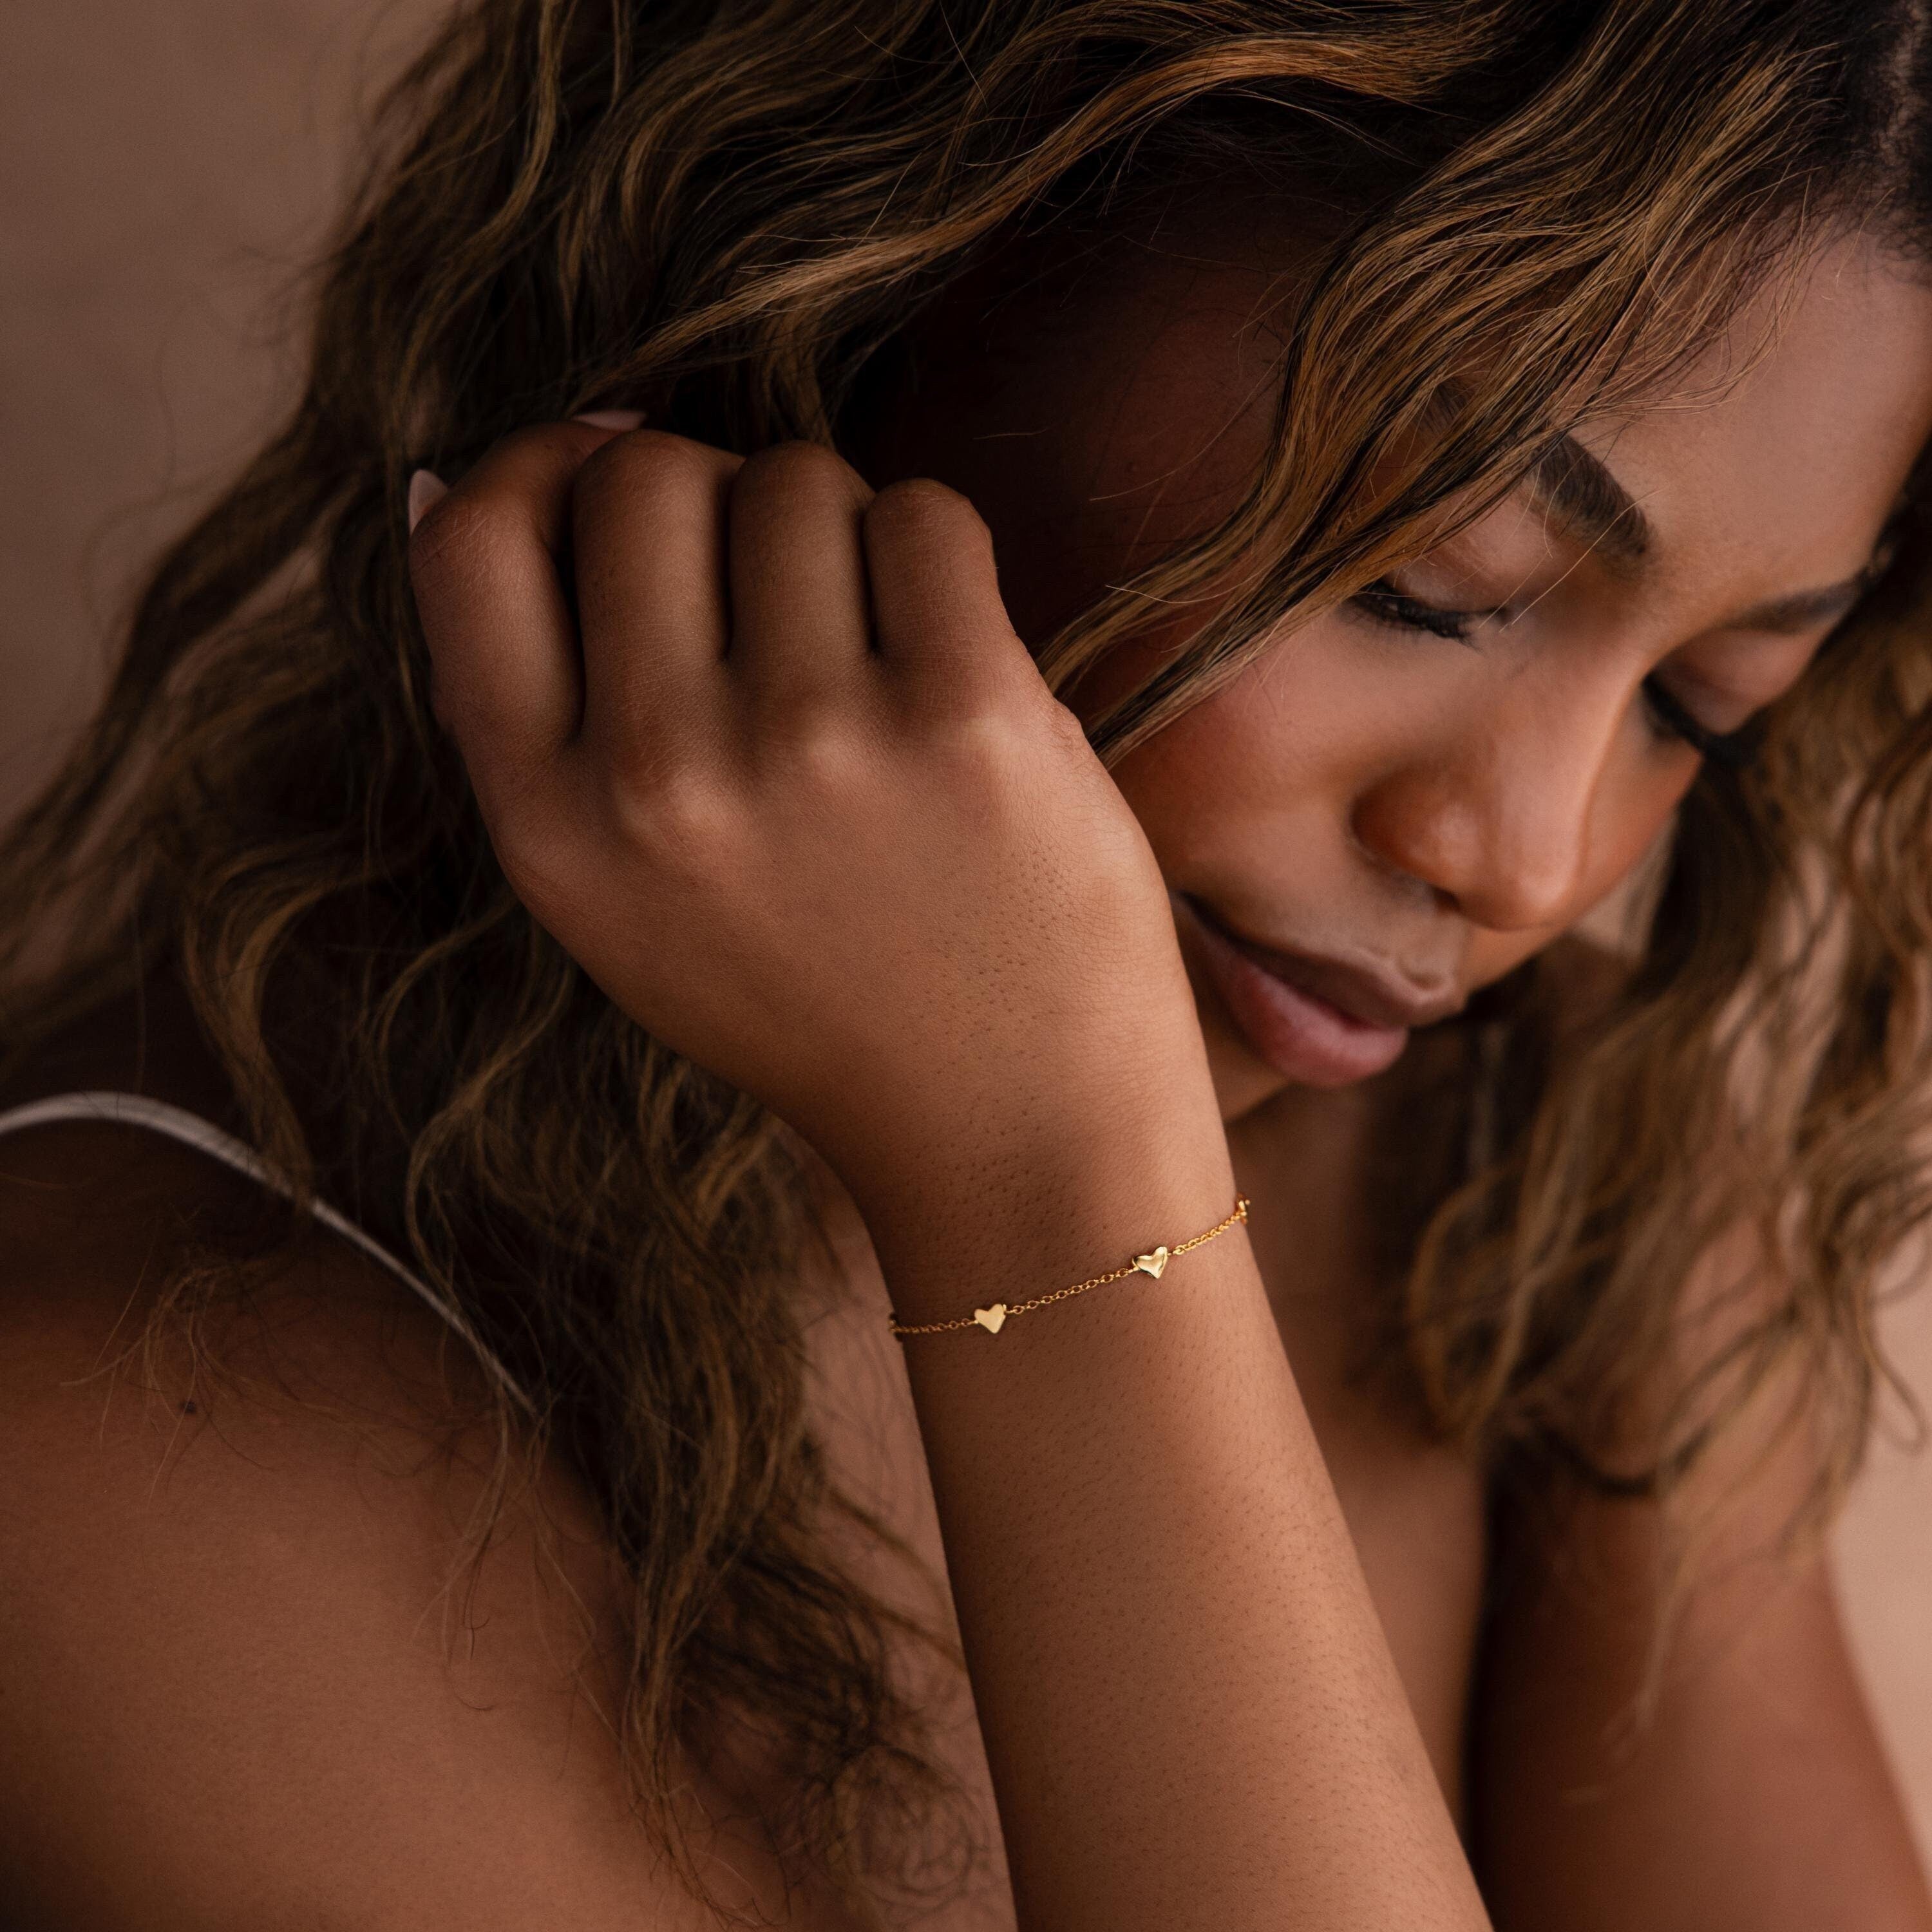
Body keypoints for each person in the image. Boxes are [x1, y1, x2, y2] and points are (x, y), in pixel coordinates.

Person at [3, 0, 1931, 1924]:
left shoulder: (1537, 1204)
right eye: (1432, 588)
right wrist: (1053, 1192)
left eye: (1707, 703)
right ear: (874, 258)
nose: (1526, 858)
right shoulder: (114, 1440)